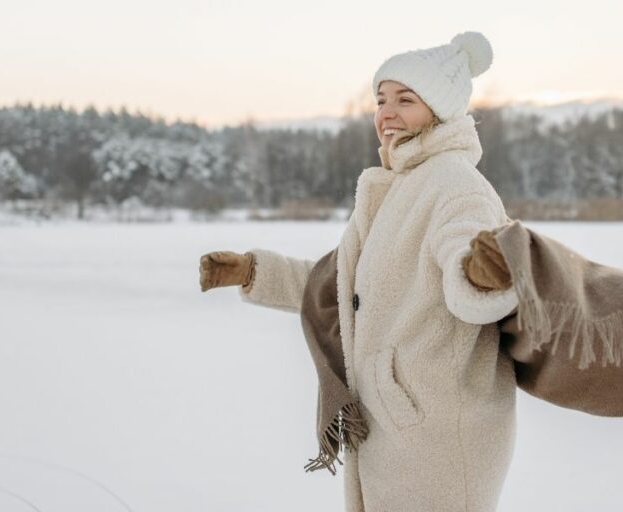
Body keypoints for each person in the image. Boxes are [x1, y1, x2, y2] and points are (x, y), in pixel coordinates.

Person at [201, 31, 518, 512]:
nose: (386, 113)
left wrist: (479, 272)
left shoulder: (455, 185)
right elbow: (347, 288)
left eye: (405, 100)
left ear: (440, 109)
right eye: (381, 99)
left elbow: (475, 276)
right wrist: (253, 272)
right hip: (394, 423)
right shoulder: (397, 187)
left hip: (439, 431)